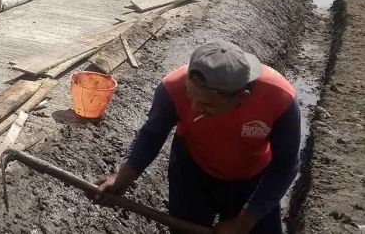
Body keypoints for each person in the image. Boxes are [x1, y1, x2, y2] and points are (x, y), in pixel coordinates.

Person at [97, 40, 301, 234]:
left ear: (241, 98)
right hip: (193, 172)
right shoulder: (172, 87)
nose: (194, 107)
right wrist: (120, 180)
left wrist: (243, 222)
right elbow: (152, 135)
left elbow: (285, 166)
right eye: (190, 94)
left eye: (206, 104)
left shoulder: (279, 98)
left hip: (253, 179)